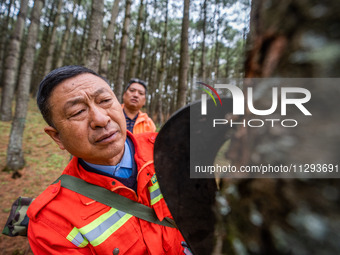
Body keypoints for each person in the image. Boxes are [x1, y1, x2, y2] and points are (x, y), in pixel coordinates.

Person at [27, 66, 187, 254]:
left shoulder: (168, 149)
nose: (101, 119)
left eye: (104, 101)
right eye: (78, 112)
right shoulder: (52, 224)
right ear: (57, 137)